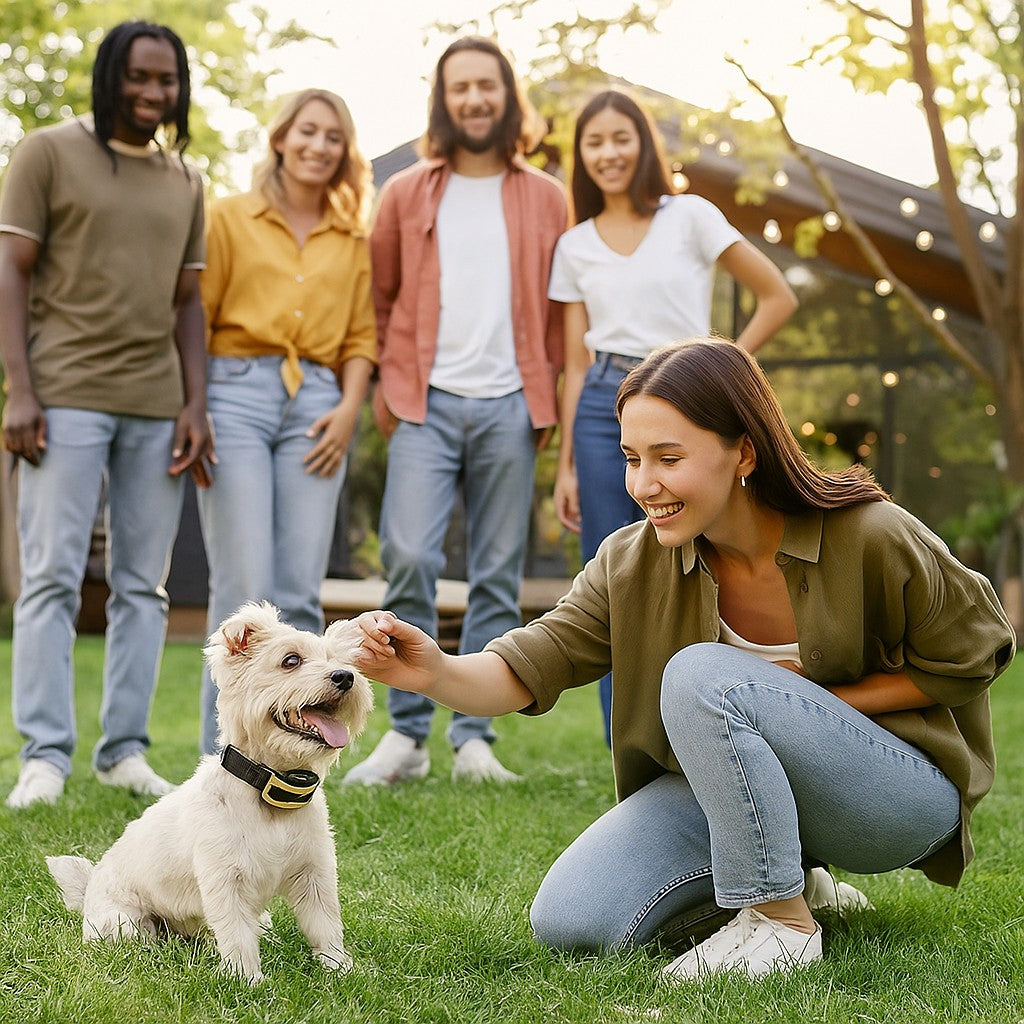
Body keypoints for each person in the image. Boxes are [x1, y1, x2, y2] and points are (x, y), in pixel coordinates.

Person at [351, 338, 1015, 979]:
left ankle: (782, 923)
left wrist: (813, 700)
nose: (644, 484)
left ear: (743, 452)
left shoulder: (870, 533)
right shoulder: (629, 561)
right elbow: (532, 661)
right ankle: (795, 877)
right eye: (631, 458)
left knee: (702, 675)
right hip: (743, 799)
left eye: (668, 458)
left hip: (895, 799)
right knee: (574, 920)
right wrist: (434, 671)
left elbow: (975, 651)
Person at [341, 36, 567, 786]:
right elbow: (380, 294)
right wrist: (382, 385)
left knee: (498, 572)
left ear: (507, 98)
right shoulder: (406, 190)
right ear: (444, 101)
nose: (474, 99)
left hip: (512, 402)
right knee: (407, 555)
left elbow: (559, 309)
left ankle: (475, 739)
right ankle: (403, 735)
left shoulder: (545, 195)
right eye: (460, 88)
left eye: (487, 87)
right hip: (424, 401)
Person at [0, 21, 213, 808]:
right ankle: (44, 757)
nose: (155, 93)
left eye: (167, 81)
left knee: (142, 587)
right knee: (51, 577)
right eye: (141, 77)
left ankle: (123, 751)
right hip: (62, 397)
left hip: (156, 406)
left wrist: (196, 402)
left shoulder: (186, 180)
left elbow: (188, 302)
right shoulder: (47, 152)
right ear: (110, 76)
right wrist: (18, 388)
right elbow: (10, 274)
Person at [549, 90, 798, 742]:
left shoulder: (689, 215)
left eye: (620, 138)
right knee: (615, 575)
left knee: (699, 561)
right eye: (594, 142)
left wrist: (719, 373)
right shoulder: (573, 244)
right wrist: (567, 465)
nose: (608, 153)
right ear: (582, 155)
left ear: (644, 144)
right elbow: (576, 363)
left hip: (685, 397)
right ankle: (625, 741)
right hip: (604, 405)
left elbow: (777, 295)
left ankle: (706, 727)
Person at [196, 89, 377, 755]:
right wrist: (200, 405)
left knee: (301, 584)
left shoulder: (352, 237)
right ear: (281, 137)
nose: (318, 145)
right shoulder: (226, 218)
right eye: (307, 131)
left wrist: (347, 410)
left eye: (334, 135)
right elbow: (201, 317)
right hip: (234, 390)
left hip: (318, 402)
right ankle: (222, 760)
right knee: (242, 592)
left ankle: (294, 757)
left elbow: (361, 336)